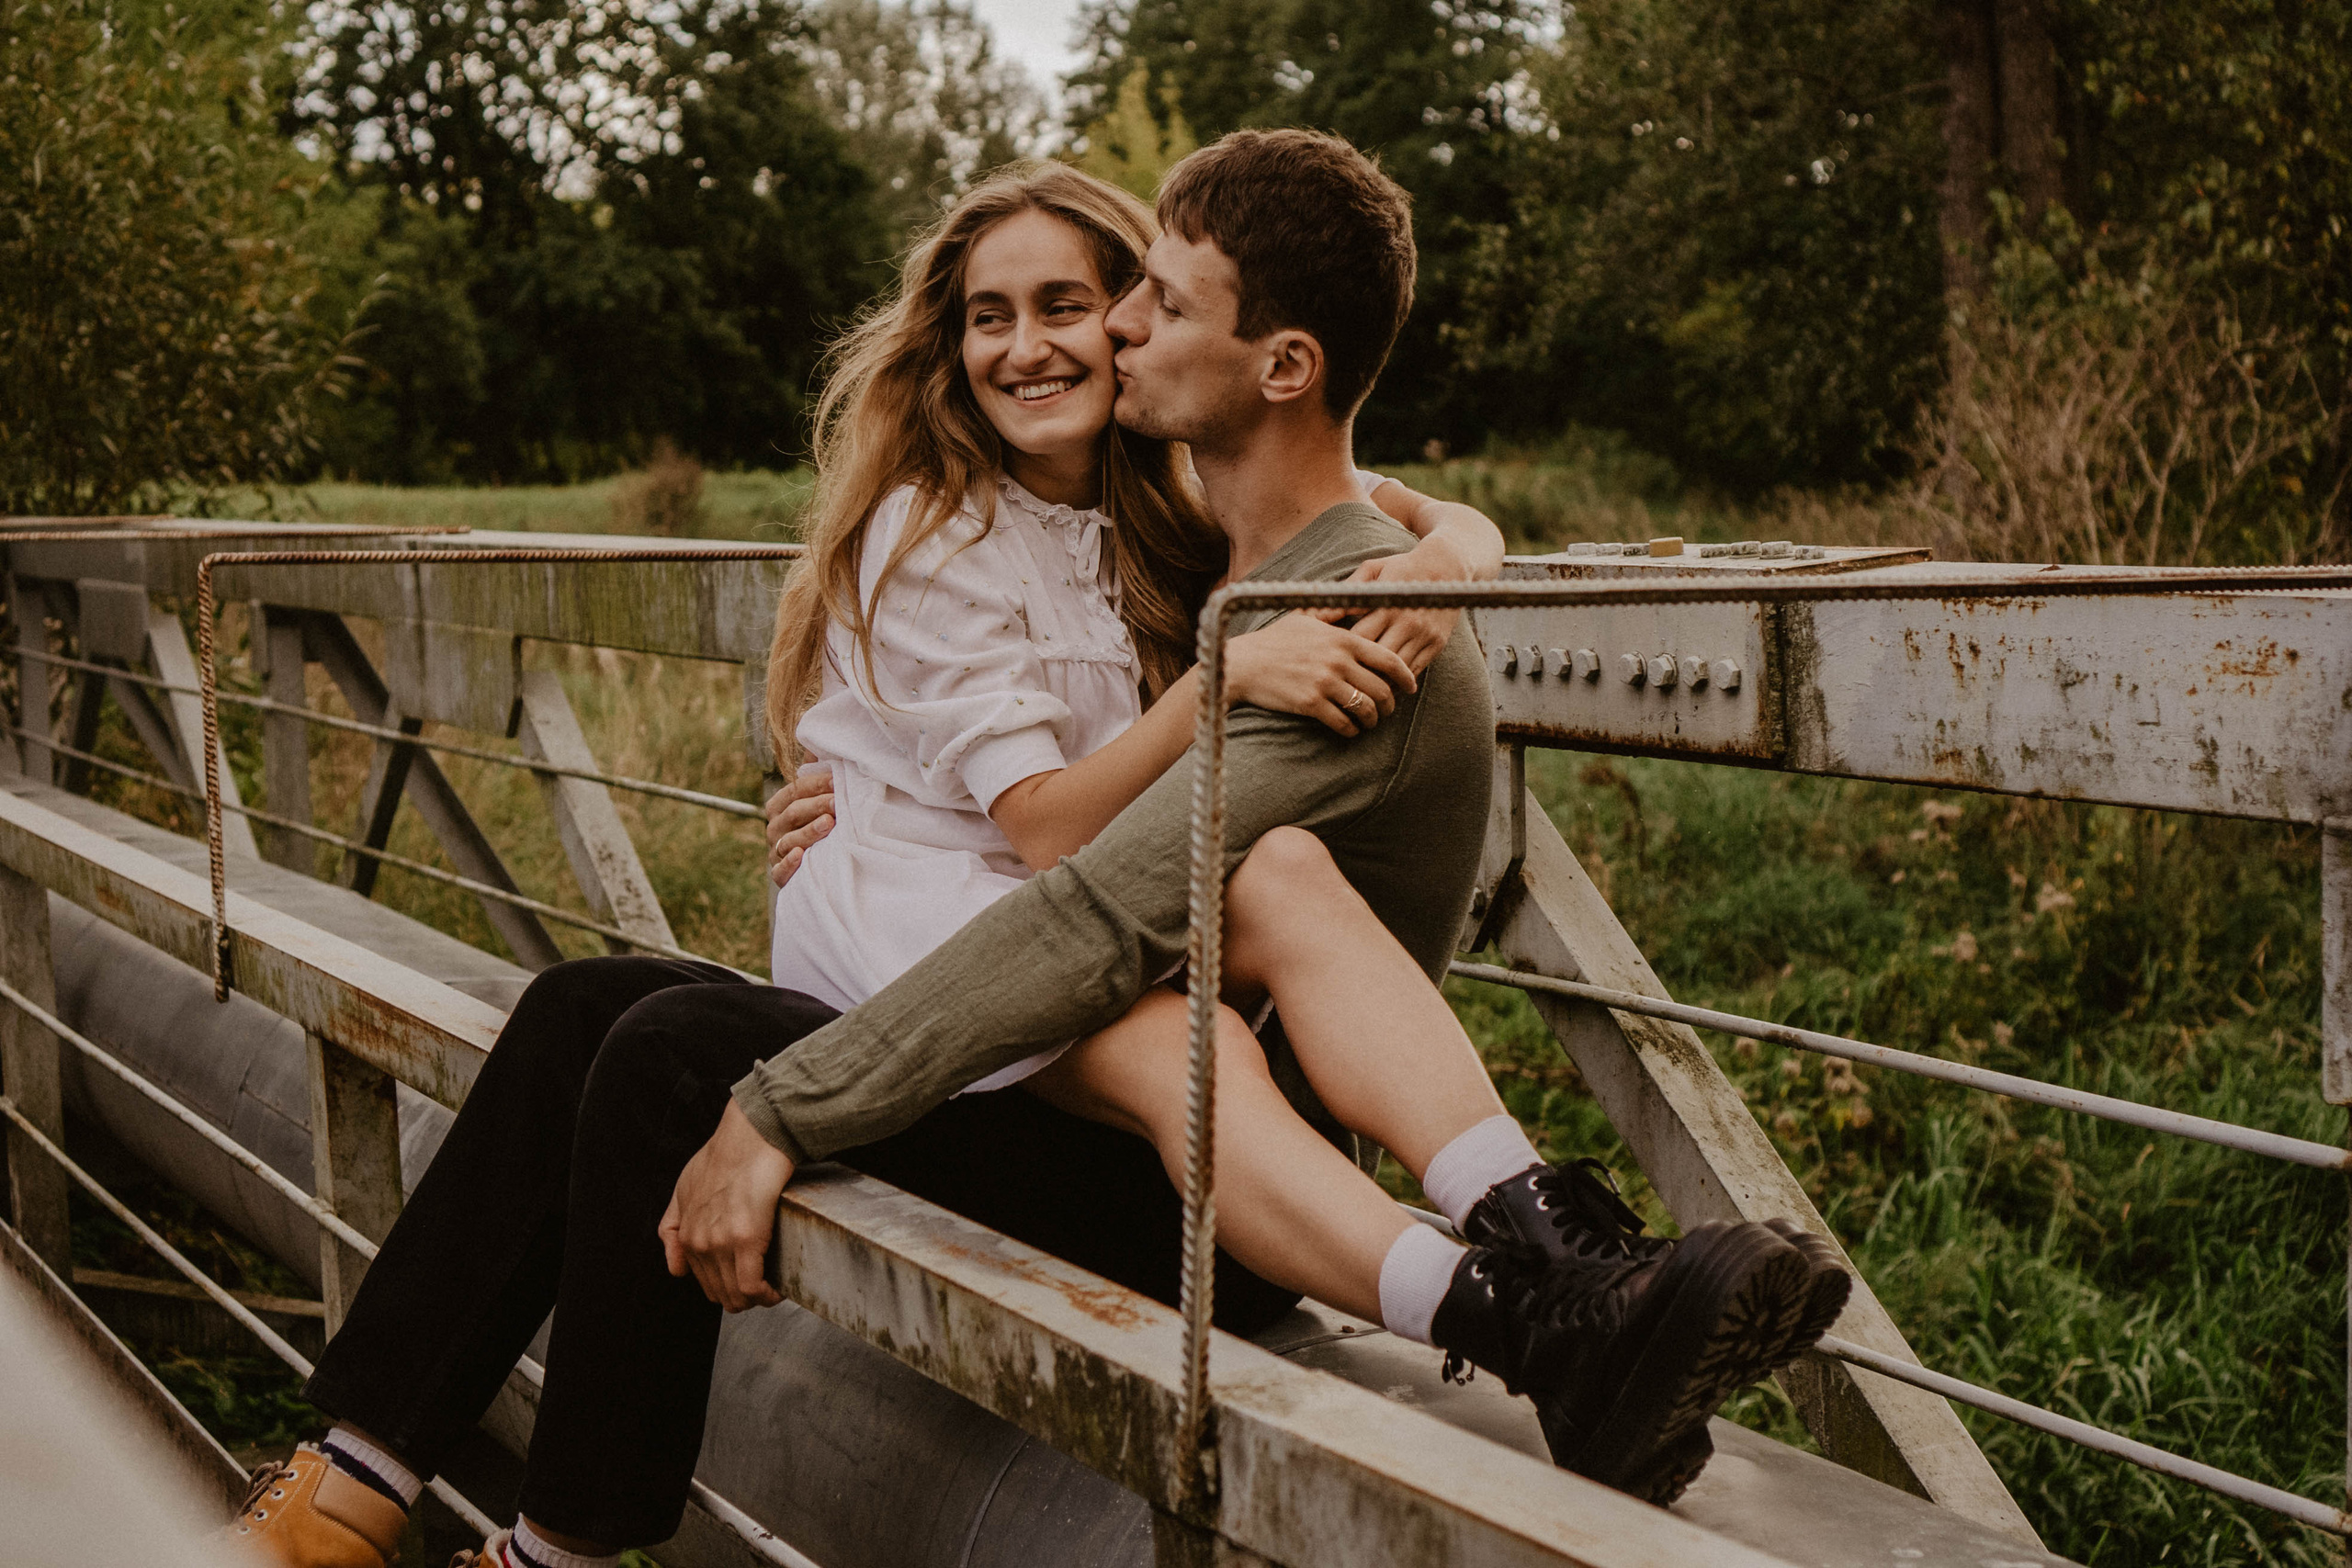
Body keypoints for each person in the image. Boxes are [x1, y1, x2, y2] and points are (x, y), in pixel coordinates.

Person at [225, 141, 1836, 1568]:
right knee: (586, 1010)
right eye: (1008, 315)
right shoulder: (1153, 524)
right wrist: (863, 807)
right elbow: (1313, 549)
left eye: (1117, 303)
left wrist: (1456, 555)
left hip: (1180, 1134)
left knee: (673, 1051)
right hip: (1083, 1042)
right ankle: (350, 1487)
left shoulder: (1258, 567)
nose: (1085, 336)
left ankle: (540, 1549)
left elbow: (1094, 874)